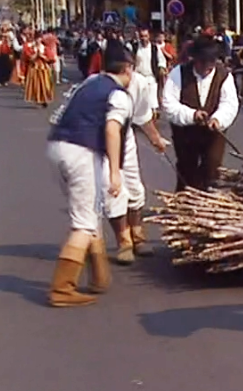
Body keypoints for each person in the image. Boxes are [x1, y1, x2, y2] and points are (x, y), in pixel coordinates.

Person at [45, 40, 135, 307]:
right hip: (82, 153)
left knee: (89, 211)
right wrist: (116, 173)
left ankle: (99, 276)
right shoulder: (119, 95)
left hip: (56, 146)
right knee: (84, 223)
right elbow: (111, 130)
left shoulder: (88, 83)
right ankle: (62, 288)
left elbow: (59, 114)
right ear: (128, 69)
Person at [96, 43, 169, 265]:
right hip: (100, 140)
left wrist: (155, 139)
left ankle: (138, 235)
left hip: (125, 136)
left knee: (135, 189)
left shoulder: (139, 83)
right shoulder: (99, 85)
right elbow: (107, 128)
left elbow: (143, 116)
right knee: (114, 191)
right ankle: (124, 241)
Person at [162, 35, 240, 191]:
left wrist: (218, 119)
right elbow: (169, 104)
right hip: (185, 133)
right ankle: (183, 205)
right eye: (203, 62)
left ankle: (207, 205)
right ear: (194, 59)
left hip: (213, 134)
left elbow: (229, 103)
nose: (207, 67)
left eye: (211, 63)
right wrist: (192, 115)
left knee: (212, 168)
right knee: (186, 169)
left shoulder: (224, 76)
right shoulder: (179, 73)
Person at [24, 32, 55, 108]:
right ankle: (38, 99)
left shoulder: (45, 48)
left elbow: (51, 58)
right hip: (34, 68)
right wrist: (36, 55)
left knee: (45, 85)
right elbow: (29, 58)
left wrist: (42, 56)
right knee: (36, 85)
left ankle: (45, 99)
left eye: (39, 38)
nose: (38, 40)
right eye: (37, 39)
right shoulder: (31, 48)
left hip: (44, 68)